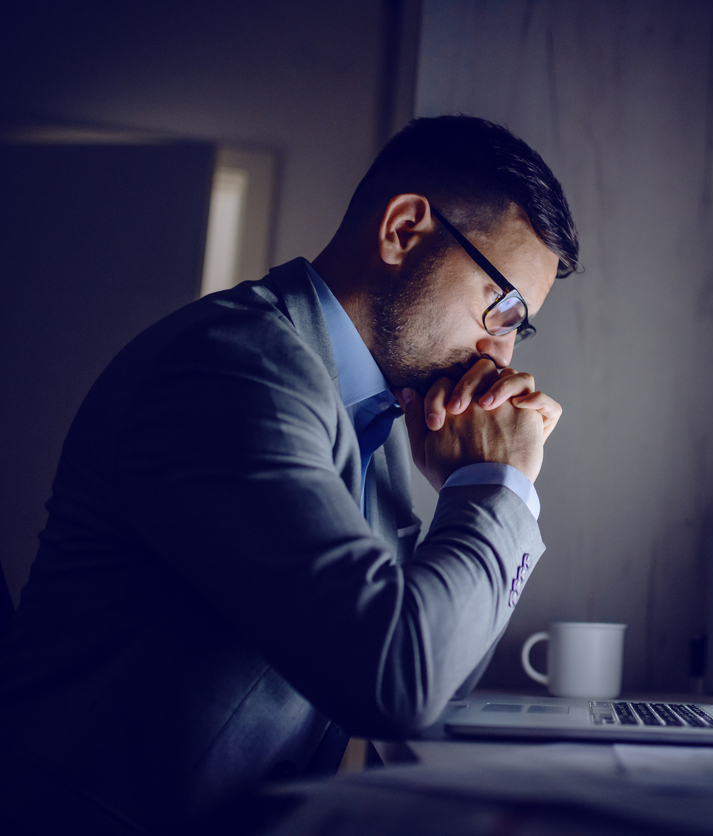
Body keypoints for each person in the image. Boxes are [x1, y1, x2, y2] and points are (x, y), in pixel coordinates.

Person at [0, 115, 579, 835]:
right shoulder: (234, 367)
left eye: (519, 328)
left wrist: (475, 491)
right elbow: (398, 684)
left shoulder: (377, 410)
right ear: (403, 230)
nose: (501, 355)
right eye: (501, 309)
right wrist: (499, 489)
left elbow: (440, 686)